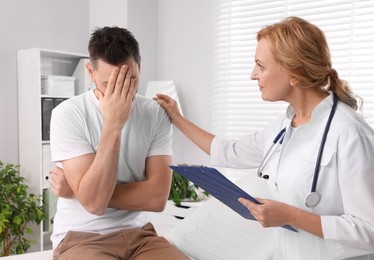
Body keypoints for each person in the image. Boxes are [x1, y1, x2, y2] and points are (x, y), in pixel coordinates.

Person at [154, 17, 374, 260]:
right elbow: (230, 151)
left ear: (294, 73)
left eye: (261, 66)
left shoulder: (350, 133)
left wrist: (291, 216)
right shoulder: (285, 126)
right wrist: (176, 117)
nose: (253, 75)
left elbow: (369, 230)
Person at [49, 26, 189, 260]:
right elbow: (94, 204)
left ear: (140, 67)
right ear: (90, 72)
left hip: (139, 236)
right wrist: (113, 123)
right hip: (82, 237)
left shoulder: (156, 113)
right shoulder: (67, 114)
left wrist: (78, 191)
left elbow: (156, 198)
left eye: (130, 79)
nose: (121, 92)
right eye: (109, 83)